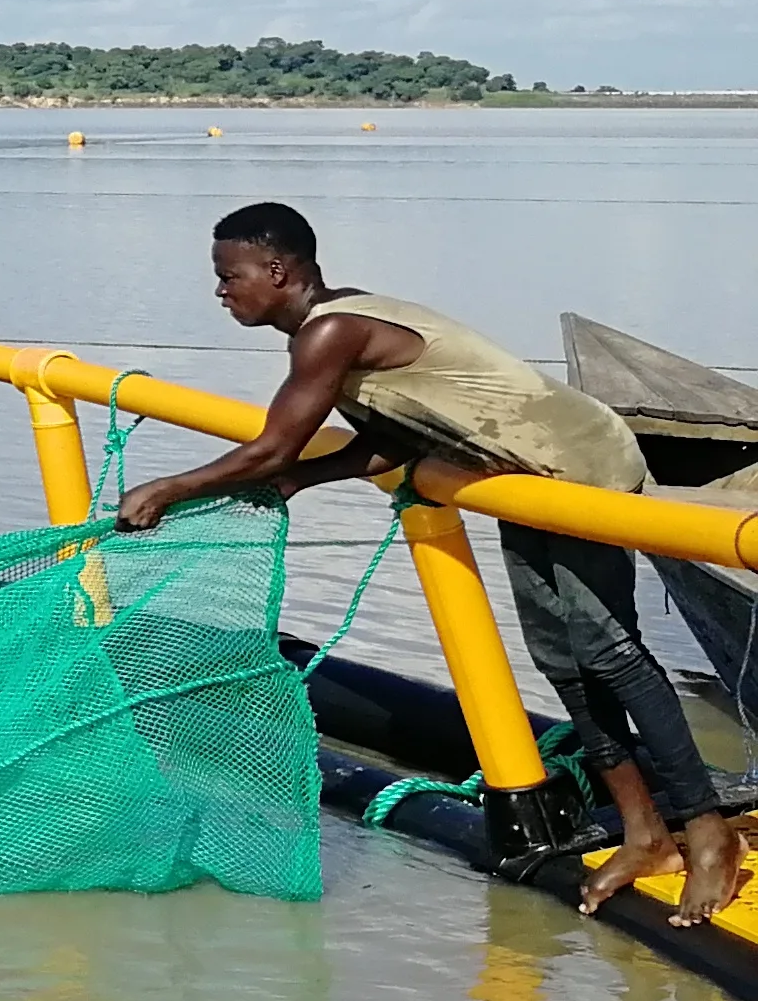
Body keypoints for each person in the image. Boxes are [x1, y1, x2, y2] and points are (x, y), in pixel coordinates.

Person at [115, 200, 745, 923]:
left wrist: (171, 487)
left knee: (610, 651)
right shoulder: (335, 329)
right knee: (562, 658)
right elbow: (386, 442)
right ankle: (645, 836)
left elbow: (272, 446)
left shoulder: (332, 332)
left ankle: (705, 829)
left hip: (579, 461)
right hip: (522, 473)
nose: (222, 291)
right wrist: (298, 481)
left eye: (230, 276)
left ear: (277, 270)